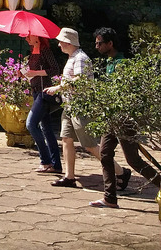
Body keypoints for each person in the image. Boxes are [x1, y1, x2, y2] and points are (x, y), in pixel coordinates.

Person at [89, 26, 161, 209]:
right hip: (111, 117)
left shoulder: (122, 64)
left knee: (133, 160)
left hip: (124, 118)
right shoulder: (109, 62)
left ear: (110, 43)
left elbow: (128, 92)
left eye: (99, 43)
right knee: (105, 154)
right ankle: (110, 198)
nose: (97, 47)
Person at [45, 27, 102, 188]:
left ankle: (120, 172)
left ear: (68, 42)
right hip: (70, 106)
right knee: (66, 139)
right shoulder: (73, 57)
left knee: (89, 144)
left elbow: (79, 79)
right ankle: (69, 177)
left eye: (61, 42)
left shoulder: (81, 58)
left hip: (79, 106)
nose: (58, 45)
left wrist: (58, 87)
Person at [23, 33, 62, 173]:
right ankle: (56, 164)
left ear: (37, 36)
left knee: (31, 124)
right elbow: (32, 72)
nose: (26, 38)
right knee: (46, 128)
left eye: (29, 35)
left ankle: (45, 160)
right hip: (35, 91)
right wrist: (24, 73)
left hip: (43, 93)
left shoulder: (45, 50)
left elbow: (55, 69)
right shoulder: (32, 51)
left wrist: (35, 73)